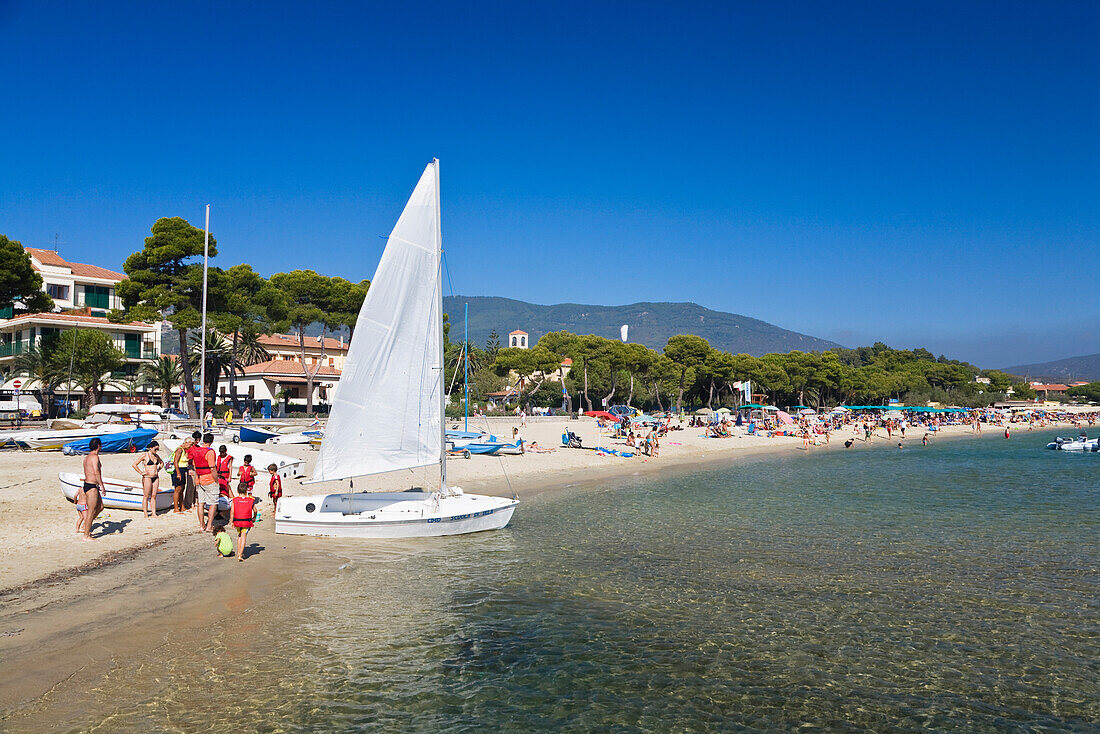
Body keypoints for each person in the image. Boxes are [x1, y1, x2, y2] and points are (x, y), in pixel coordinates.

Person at [189, 433, 221, 532]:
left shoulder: (196, 450)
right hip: (208, 479)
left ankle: (202, 525)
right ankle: (209, 526)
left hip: (199, 478)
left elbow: (194, 465)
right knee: (213, 503)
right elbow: (212, 468)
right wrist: (216, 480)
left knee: (200, 503)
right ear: (212, 441)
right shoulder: (210, 452)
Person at [79, 437, 106, 541]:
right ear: (99, 446)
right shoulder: (95, 457)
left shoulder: (87, 457)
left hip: (88, 484)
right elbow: (96, 472)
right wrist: (102, 485)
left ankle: (85, 526)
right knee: (91, 511)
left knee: (100, 507)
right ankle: (86, 535)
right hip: (91, 486)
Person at [131, 440, 164, 519]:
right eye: (155, 449)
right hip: (147, 477)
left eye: (157, 449)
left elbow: (162, 463)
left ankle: (153, 513)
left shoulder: (156, 456)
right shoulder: (144, 455)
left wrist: (158, 470)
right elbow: (134, 464)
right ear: (150, 448)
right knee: (146, 496)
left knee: (154, 496)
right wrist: (141, 472)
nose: (156, 451)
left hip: (155, 477)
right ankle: (145, 514)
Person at [231, 485, 258, 561]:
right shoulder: (251, 500)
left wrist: (231, 521)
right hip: (246, 522)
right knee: (244, 537)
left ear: (237, 491)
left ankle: (239, 553)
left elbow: (232, 512)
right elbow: (255, 510)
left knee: (239, 536)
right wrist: (254, 517)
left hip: (237, 521)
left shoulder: (235, 500)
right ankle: (240, 555)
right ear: (246, 491)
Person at [170, 437, 192, 514]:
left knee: (182, 489)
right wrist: (178, 473)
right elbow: (175, 462)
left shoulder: (183, 450)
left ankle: (182, 506)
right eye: (190, 444)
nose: (191, 446)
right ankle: (176, 508)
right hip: (178, 470)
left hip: (182, 470)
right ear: (186, 442)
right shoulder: (179, 449)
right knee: (177, 489)